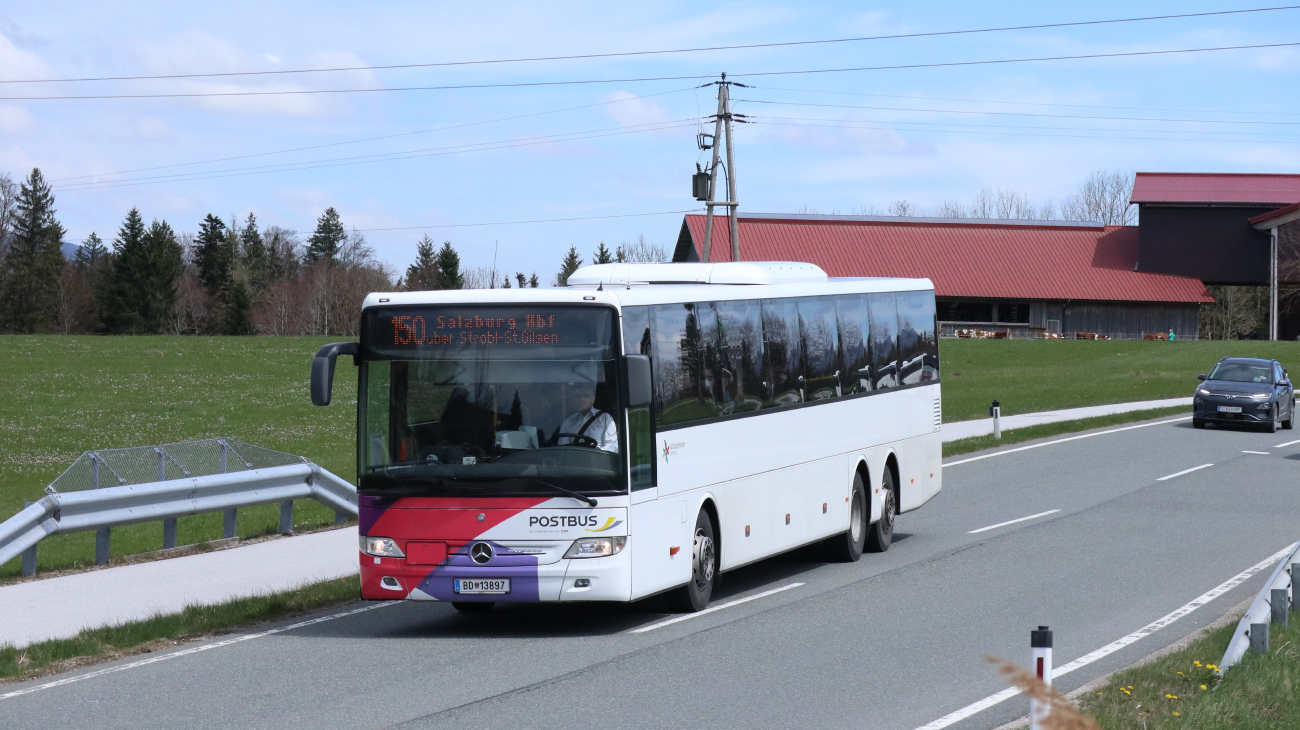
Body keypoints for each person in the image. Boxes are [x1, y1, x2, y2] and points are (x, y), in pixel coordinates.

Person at [555, 384, 618, 452]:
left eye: (585, 396)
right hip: (574, 457)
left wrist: (597, 450)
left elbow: (613, 446)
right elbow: (563, 449)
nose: (581, 399)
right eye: (578, 396)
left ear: (593, 399)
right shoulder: (567, 422)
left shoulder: (605, 419)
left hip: (598, 457)